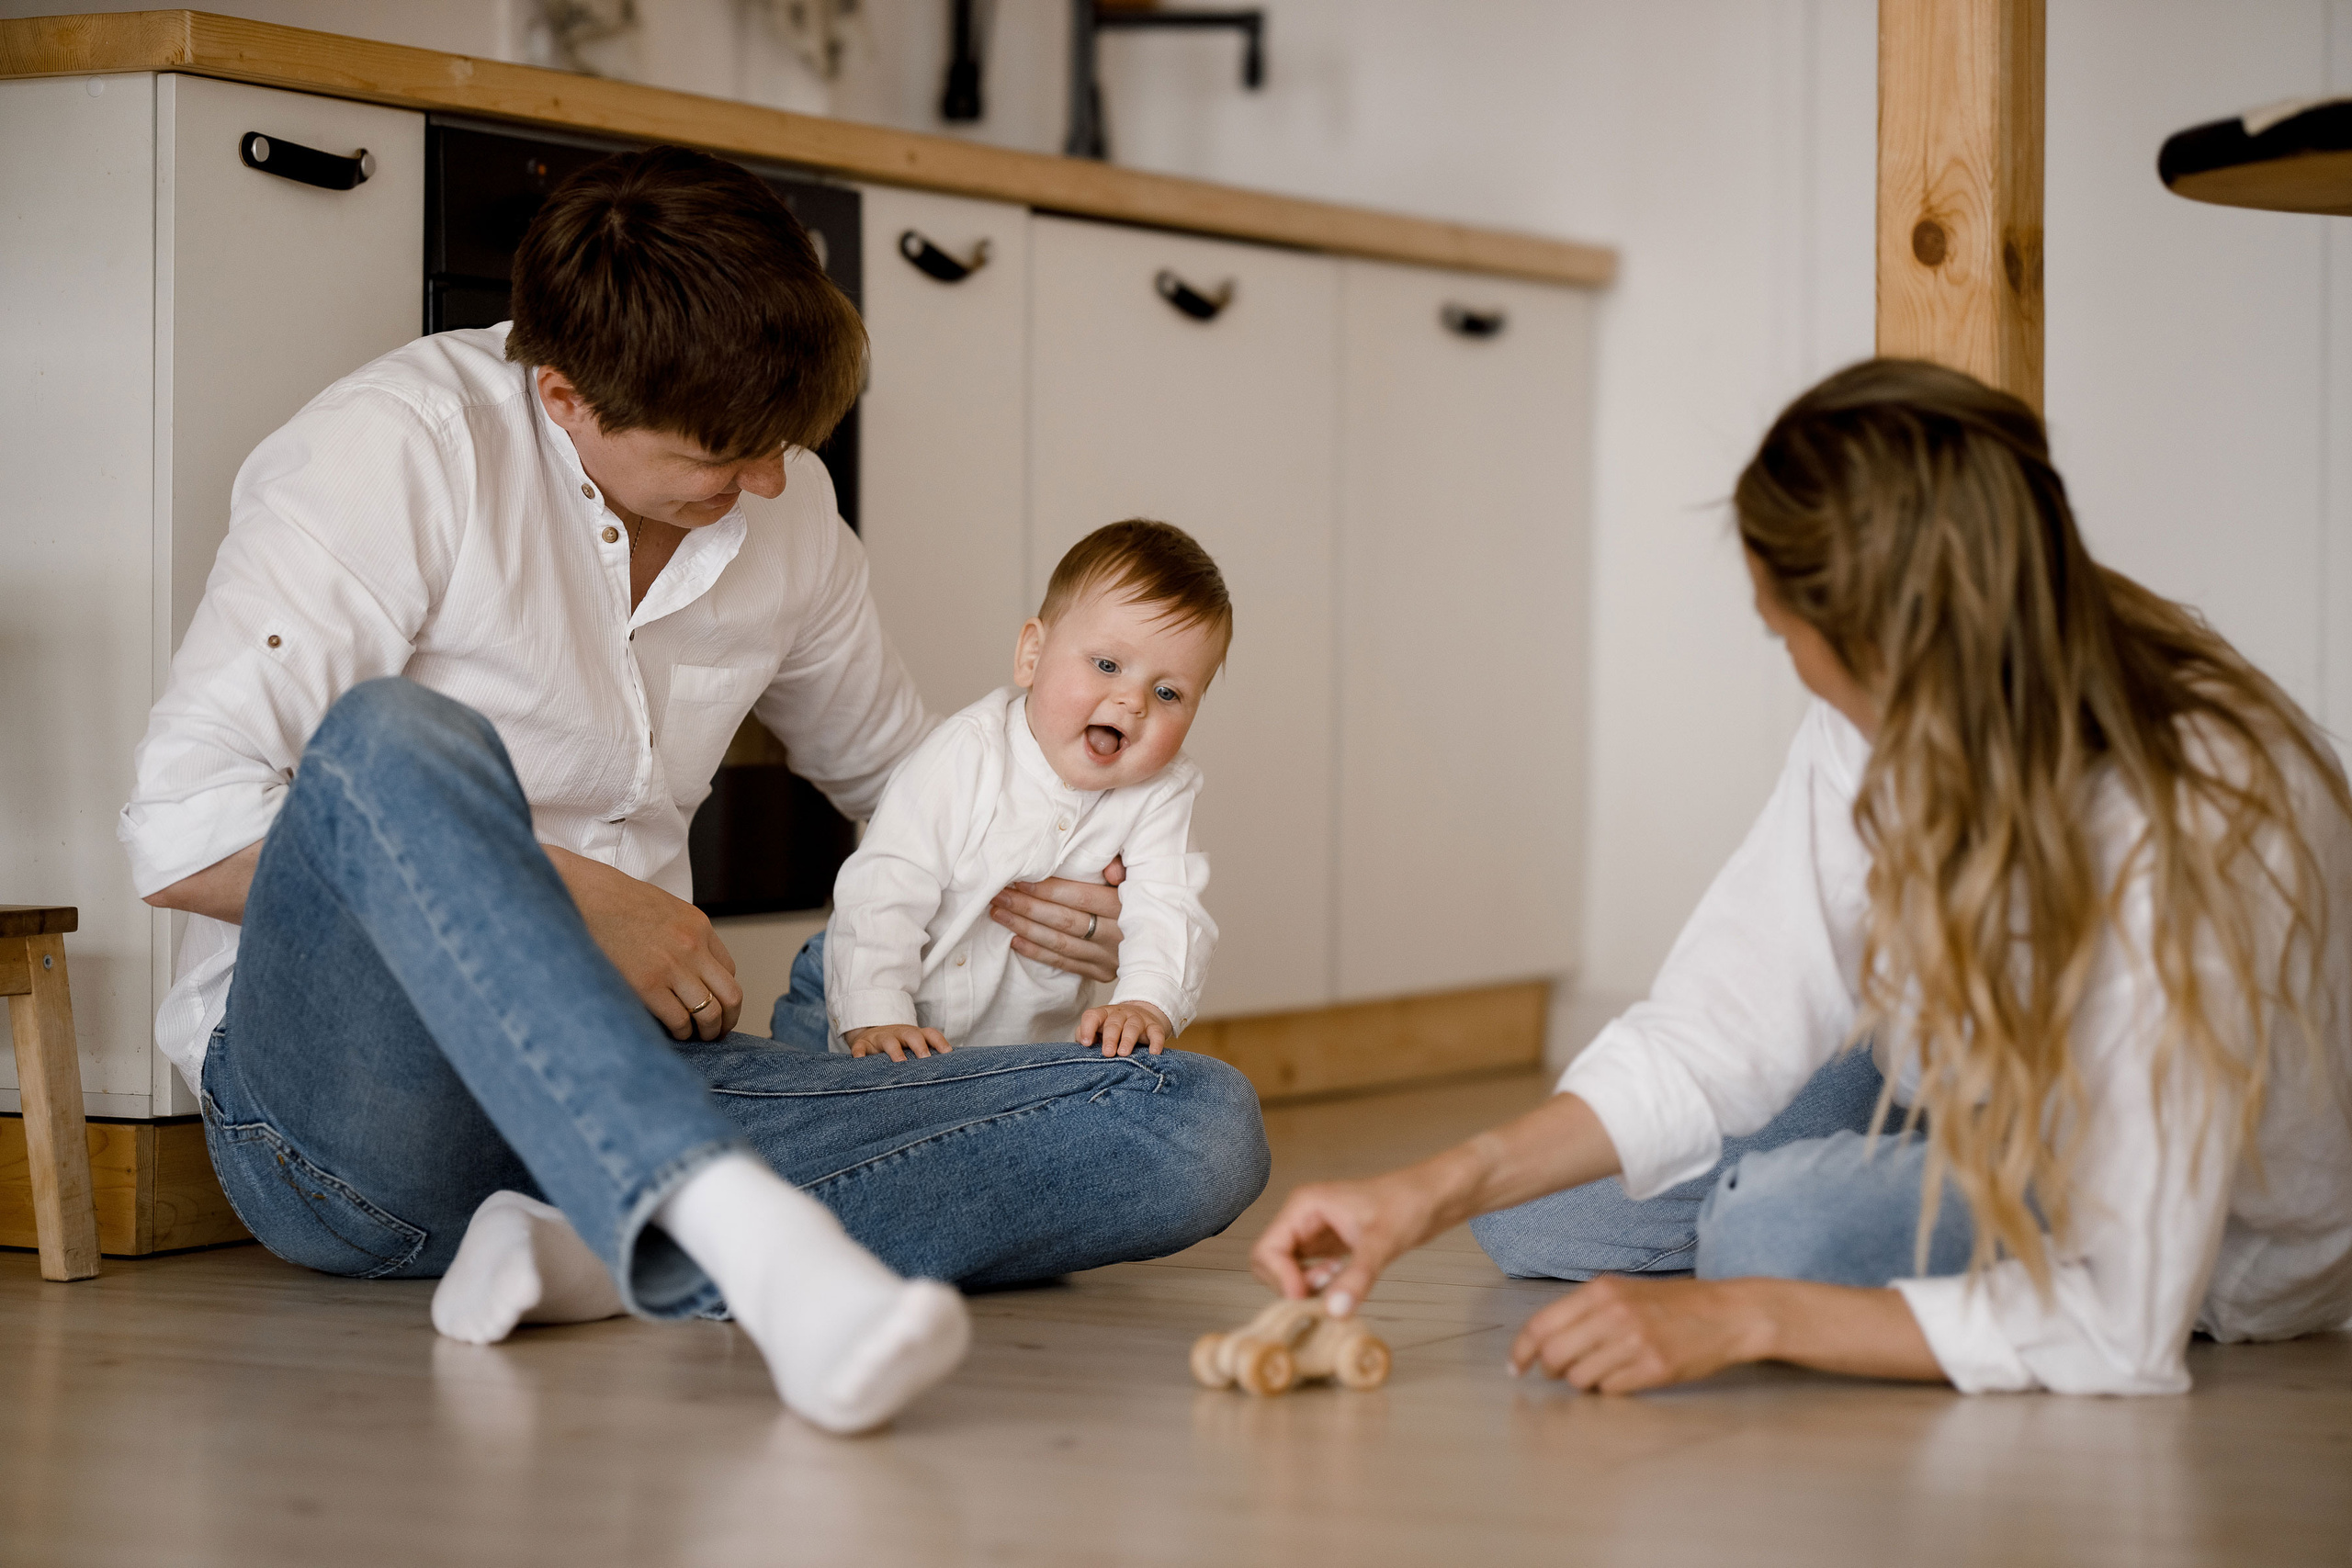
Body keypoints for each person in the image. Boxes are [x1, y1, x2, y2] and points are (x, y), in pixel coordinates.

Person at [120, 145, 1269, 1434]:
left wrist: (1046, 885)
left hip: (663, 1068)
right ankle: (735, 1230)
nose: (769, 478)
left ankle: (594, 1238)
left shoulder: (786, 505)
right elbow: (183, 830)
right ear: (566, 395)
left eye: (780, 440)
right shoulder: (394, 451)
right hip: (364, 1128)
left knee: (1192, 1123)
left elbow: (906, 778)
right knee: (394, 740)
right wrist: (591, 907)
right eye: (725, 449)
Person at [1250, 358, 2352, 1396]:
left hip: (2189, 1224)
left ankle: (1827, 1230)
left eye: (1783, 632)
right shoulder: (1881, 712)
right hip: (1975, 1083)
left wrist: (1744, 1319)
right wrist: (1423, 1190)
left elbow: (2123, 1320)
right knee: (1532, 1219)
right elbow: (1720, 1022)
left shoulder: (2188, 823)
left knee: (1770, 1237)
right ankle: (1852, 1199)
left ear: (1875, 634)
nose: (1784, 650)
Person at [795, 519, 1227, 1063]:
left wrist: (1146, 1000)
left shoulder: (1162, 792)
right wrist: (876, 1010)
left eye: (1168, 692)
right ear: (1032, 655)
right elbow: (886, 884)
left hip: (1017, 1051)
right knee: (823, 1132)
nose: (1133, 701)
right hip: (862, 1005)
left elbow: (1172, 903)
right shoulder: (966, 753)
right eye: (1107, 665)